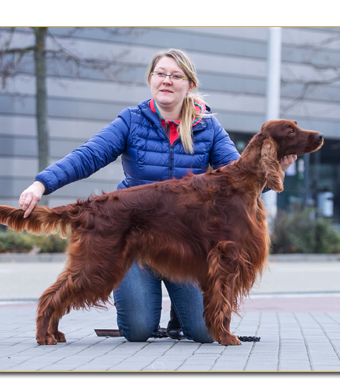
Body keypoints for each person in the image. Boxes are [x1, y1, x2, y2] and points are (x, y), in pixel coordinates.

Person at [19, 48, 297, 343]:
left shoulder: (207, 126)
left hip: (188, 245)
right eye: (160, 74)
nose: (167, 80)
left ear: (189, 85)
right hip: (133, 228)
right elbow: (89, 155)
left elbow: (240, 180)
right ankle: (49, 314)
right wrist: (41, 184)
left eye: (176, 76)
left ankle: (181, 311)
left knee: (205, 332)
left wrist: (274, 169)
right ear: (151, 80)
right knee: (138, 329)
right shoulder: (132, 120)